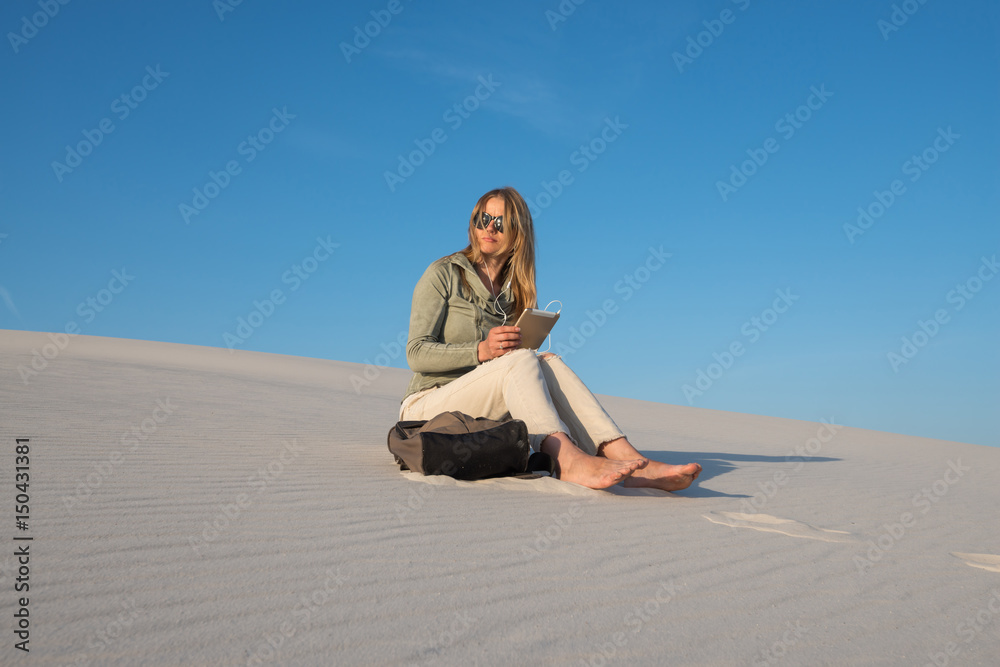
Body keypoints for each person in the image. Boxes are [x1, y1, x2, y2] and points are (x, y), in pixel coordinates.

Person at [398, 186, 701, 491]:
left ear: (518, 232)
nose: (489, 228)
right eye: (483, 218)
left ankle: (628, 458)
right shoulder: (443, 273)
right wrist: (482, 350)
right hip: (426, 406)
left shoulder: (515, 291)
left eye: (500, 222)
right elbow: (416, 353)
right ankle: (567, 460)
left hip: (479, 406)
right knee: (520, 360)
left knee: (548, 362)